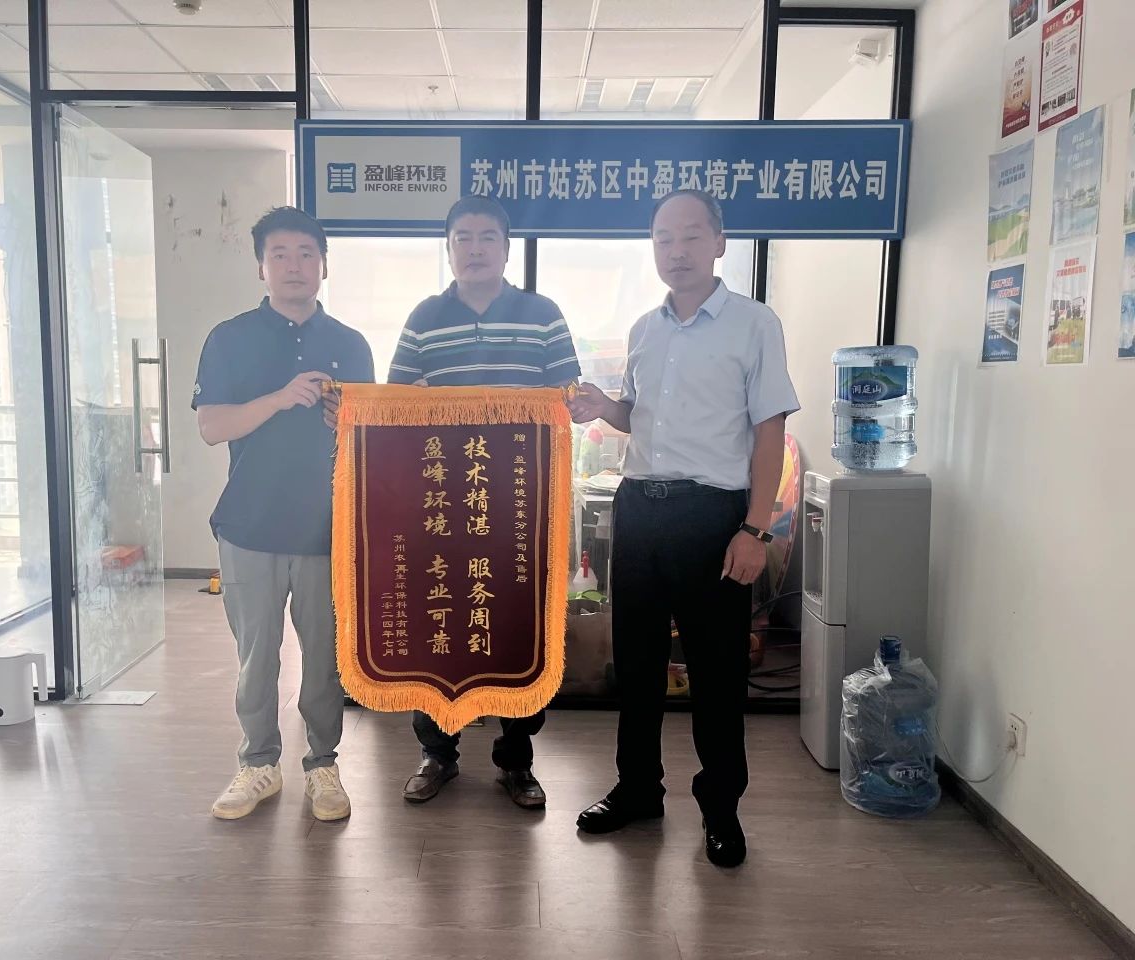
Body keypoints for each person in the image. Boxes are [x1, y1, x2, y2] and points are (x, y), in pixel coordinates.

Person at [567, 190, 799, 867]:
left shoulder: (755, 324)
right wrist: (603, 405)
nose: (677, 250)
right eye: (664, 238)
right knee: (636, 665)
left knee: (717, 672)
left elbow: (770, 433)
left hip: (713, 517)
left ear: (719, 243)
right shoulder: (646, 329)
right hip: (639, 508)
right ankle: (638, 789)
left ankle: (721, 807)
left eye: (692, 236)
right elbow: (637, 416)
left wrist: (755, 530)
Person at [386, 195, 581, 809]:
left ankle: (516, 761)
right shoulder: (423, 318)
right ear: (448, 249)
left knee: (518, 626)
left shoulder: (542, 315)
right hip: (441, 502)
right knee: (437, 621)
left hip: (520, 503)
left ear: (505, 247)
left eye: (487, 238)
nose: (474, 249)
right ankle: (436, 753)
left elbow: (568, 400)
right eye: (462, 238)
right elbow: (393, 406)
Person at [193, 207, 374, 822]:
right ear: (261, 267)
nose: (294, 266)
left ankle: (322, 765)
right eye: (280, 255)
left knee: (324, 658)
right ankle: (258, 764)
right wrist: (279, 398)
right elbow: (212, 426)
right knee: (256, 656)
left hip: (329, 528)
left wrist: (346, 420)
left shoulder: (350, 344)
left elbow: (370, 438)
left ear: (323, 265)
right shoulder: (230, 338)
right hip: (250, 525)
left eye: (306, 254)